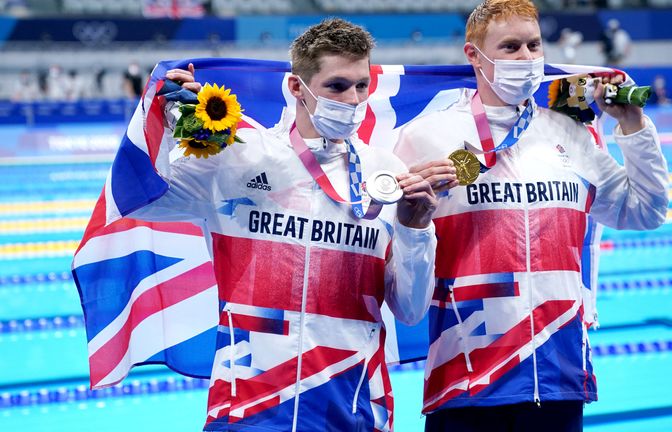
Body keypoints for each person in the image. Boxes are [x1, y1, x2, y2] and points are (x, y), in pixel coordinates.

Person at [131, 18, 448, 431]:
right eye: (337, 86)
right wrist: (173, 120)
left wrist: (416, 228)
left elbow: (410, 309)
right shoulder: (239, 158)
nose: (353, 99)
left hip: (352, 403)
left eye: (362, 86)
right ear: (297, 87)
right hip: (248, 403)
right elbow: (141, 201)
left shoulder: (387, 174)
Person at [394, 1, 669, 431]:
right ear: (474, 55)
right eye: (510, 47)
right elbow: (399, 278)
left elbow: (646, 211)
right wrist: (411, 223)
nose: (526, 58)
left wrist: (633, 126)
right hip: (466, 379)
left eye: (533, 45)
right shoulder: (425, 137)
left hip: (559, 374)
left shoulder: (568, 134)